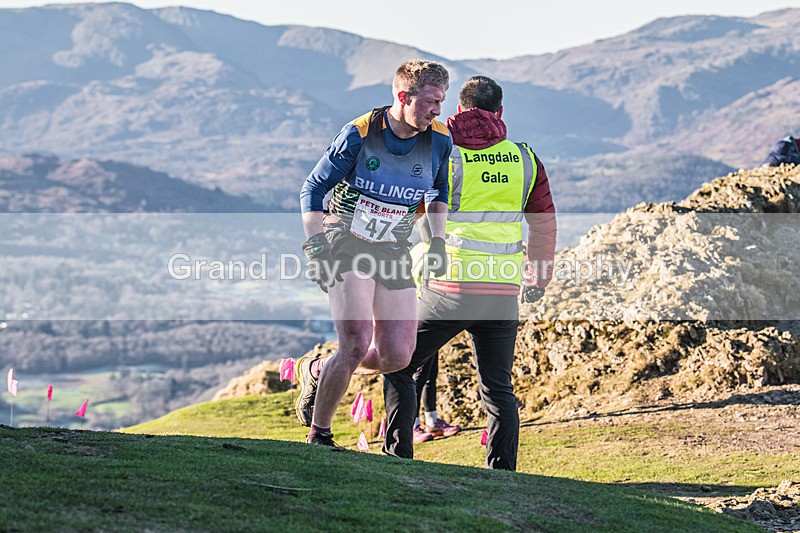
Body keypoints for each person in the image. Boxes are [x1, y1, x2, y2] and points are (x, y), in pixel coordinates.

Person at [382, 75, 557, 470]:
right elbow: (544, 224)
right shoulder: (526, 158)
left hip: (449, 287)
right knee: (498, 389)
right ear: (500, 112)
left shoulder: (442, 152)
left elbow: (409, 211)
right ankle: (502, 473)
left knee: (401, 365)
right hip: (502, 292)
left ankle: (397, 461)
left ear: (458, 110)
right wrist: (539, 278)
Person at [296, 59, 453, 448]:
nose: (438, 110)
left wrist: (436, 241)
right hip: (345, 241)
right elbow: (312, 189)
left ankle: (316, 368)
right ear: (403, 96)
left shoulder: (439, 139)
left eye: (442, 101)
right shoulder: (360, 134)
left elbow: (438, 192)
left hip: (394, 247)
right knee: (354, 341)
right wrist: (316, 246)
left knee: (398, 355)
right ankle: (320, 433)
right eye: (431, 101)